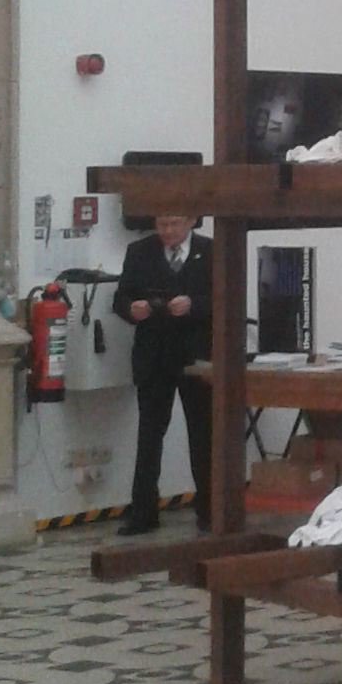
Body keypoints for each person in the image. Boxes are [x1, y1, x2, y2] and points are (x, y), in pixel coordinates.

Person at [114, 213, 212, 535]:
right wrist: (132, 309)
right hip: (154, 356)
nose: (167, 231)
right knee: (149, 436)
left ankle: (210, 509)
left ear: (191, 221)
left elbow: (227, 298)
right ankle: (144, 512)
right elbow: (120, 298)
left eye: (174, 224)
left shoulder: (212, 251)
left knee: (203, 435)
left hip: (196, 357)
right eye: (161, 225)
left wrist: (193, 305)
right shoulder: (139, 251)